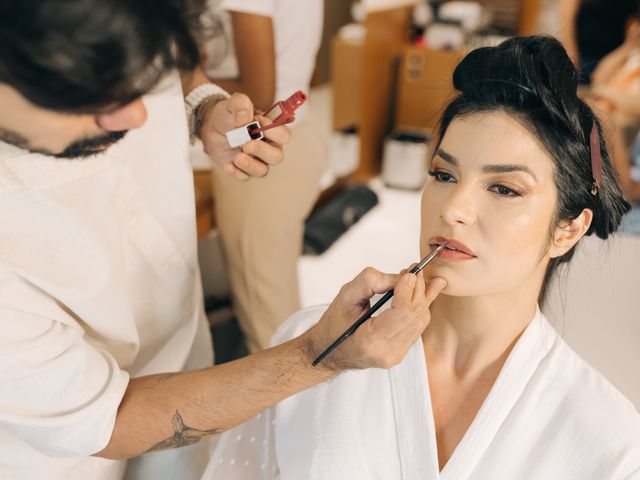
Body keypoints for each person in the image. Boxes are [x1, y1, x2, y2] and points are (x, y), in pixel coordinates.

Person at [0, 1, 446, 479]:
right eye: (90, 99)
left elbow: (180, 67)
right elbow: (112, 421)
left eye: (142, 80)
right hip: (64, 455)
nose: (137, 116)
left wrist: (202, 108)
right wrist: (318, 354)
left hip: (192, 370)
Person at [203, 36, 640, 479]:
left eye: (504, 188)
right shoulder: (310, 347)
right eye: (443, 174)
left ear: (570, 228)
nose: (453, 208)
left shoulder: (608, 440)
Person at [200, 0, 327, 352]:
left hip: (263, 147)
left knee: (270, 331)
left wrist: (172, 77)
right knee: (272, 312)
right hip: (301, 135)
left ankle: (293, 406)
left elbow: (258, 91)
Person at [558, 0, 637, 83]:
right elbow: (566, 27)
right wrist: (573, 65)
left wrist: (625, 52)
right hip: (584, 58)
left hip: (617, 58)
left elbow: (633, 25)